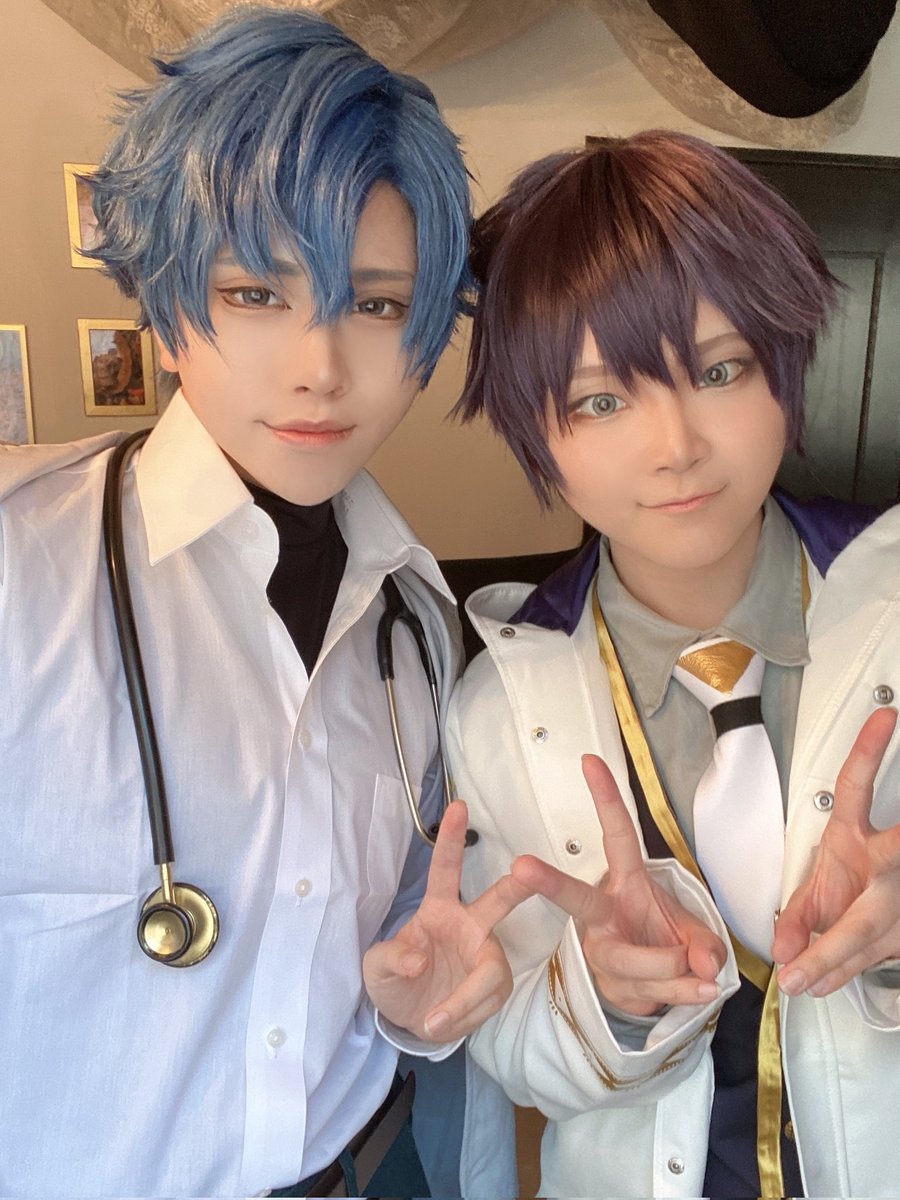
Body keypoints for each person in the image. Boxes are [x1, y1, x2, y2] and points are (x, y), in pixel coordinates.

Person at [0, 7, 529, 1196]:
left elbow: (402, 937)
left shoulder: (418, 625)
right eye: (253, 293)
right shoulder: (21, 570)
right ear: (164, 306)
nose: (319, 369)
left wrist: (415, 1005)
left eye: (376, 305)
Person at [447, 131, 900, 1199]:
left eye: (720, 369)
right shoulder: (496, 708)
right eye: (601, 400)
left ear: (785, 367)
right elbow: (508, 1043)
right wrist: (601, 1001)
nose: (676, 445)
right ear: (536, 434)